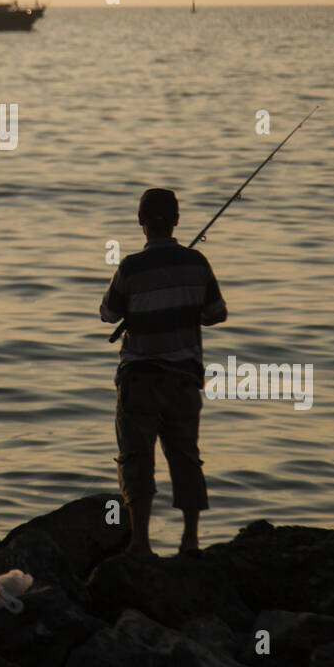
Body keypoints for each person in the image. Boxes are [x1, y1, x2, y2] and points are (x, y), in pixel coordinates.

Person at [99, 188, 227, 558]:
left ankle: (140, 543)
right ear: (177, 221)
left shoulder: (130, 268)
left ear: (140, 222)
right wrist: (193, 314)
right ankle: (190, 541)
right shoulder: (197, 263)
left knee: (136, 457)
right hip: (184, 380)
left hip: (139, 378)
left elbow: (108, 313)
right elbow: (217, 312)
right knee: (185, 456)